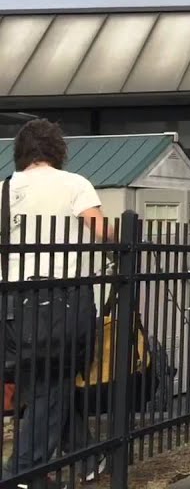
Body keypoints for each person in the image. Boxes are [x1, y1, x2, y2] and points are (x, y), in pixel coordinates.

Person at [1, 118, 109, 483]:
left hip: (12, 301)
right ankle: (21, 472)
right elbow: (100, 229)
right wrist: (122, 237)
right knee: (53, 382)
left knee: (40, 384)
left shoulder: (4, 188)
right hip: (61, 297)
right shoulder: (74, 184)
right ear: (57, 149)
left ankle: (86, 455)